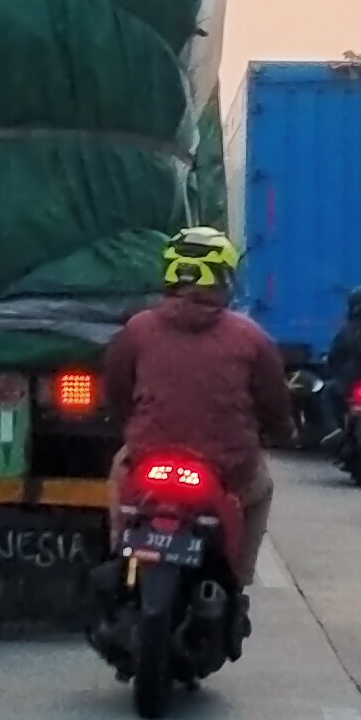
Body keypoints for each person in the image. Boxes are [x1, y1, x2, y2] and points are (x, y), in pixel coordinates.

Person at [100, 226, 294, 579]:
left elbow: (116, 389)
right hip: (227, 468)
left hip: (150, 460)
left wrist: (133, 428)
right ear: (224, 277)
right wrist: (281, 433)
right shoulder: (252, 338)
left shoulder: (137, 330)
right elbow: (274, 403)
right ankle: (238, 577)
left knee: (119, 474)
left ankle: (120, 550)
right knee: (262, 489)